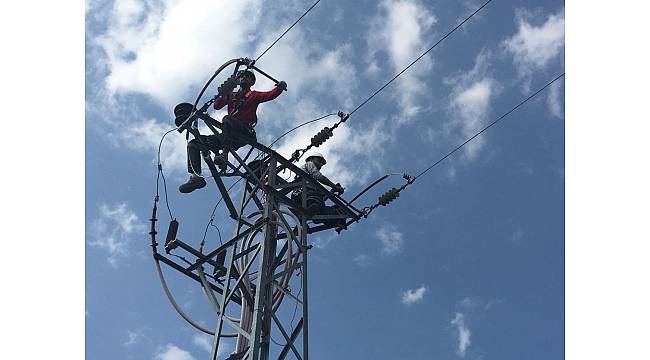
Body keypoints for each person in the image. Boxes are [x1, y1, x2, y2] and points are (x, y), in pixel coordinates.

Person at [179, 70, 287, 193]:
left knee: (227, 119)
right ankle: (196, 176)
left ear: (252, 82)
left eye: (247, 77)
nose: (243, 78)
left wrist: (280, 87)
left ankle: (224, 155)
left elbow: (270, 95)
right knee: (194, 143)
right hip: (229, 134)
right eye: (241, 76)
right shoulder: (232, 95)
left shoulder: (254, 95)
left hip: (245, 132)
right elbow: (217, 106)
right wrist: (224, 92)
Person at [292, 152, 346, 227]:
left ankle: (336, 221)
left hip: (299, 198)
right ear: (311, 159)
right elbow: (319, 177)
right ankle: (308, 214)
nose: (320, 164)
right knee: (316, 201)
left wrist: (331, 192)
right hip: (304, 194)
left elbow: (321, 198)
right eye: (319, 161)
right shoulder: (309, 164)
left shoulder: (310, 180)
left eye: (322, 164)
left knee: (323, 208)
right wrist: (335, 187)